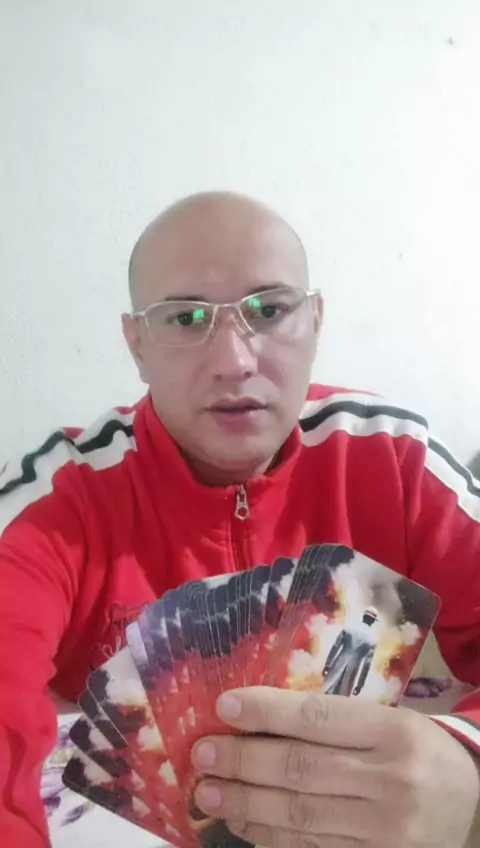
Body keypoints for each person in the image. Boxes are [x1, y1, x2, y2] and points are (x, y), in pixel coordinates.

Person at [0, 191, 479, 848]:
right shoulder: (60, 499)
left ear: (315, 322)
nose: (235, 360)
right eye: (185, 317)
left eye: (270, 310)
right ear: (136, 345)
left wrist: (467, 754)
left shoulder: (393, 458)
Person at [321, 606, 379, 697]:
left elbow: (335, 646)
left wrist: (327, 664)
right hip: (352, 671)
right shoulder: (373, 639)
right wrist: (360, 684)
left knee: (326, 692)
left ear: (363, 616)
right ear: (373, 621)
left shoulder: (349, 628)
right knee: (342, 698)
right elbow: (367, 664)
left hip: (337, 665)